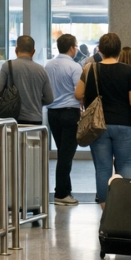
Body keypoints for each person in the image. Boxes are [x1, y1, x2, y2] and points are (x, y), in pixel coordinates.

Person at [75, 33, 131, 208]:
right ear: (119, 50)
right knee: (126, 164)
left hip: (98, 126)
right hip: (126, 125)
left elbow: (78, 94)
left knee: (103, 168)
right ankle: (124, 208)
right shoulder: (127, 71)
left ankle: (106, 209)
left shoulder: (90, 69)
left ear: (100, 50)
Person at [45, 34, 83, 207]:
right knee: (66, 155)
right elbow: (79, 93)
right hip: (70, 113)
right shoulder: (75, 67)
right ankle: (61, 194)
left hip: (52, 113)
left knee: (62, 152)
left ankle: (66, 190)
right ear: (72, 47)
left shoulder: (48, 65)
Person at [0, 36, 55, 126]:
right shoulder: (42, 70)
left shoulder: (8, 66)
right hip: (35, 121)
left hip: (12, 120)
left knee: (12, 140)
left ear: (16, 50)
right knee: (33, 140)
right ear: (33, 52)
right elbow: (49, 99)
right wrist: (35, 100)